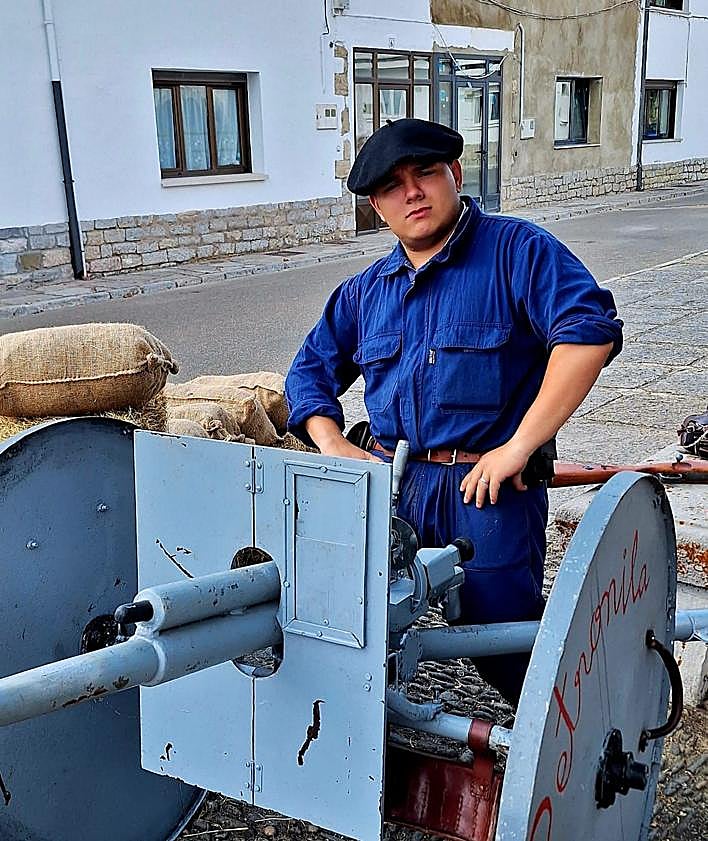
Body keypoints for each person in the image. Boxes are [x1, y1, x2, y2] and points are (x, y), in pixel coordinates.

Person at [285, 118, 623, 704]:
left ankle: (572, 737)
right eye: (392, 186)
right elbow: (308, 374)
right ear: (378, 207)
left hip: (484, 491)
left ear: (455, 176)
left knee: (501, 638)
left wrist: (518, 447)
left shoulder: (518, 253)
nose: (412, 192)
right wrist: (334, 445)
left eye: (424, 173)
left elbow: (587, 335)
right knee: (363, 627)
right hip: (393, 486)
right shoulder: (365, 293)